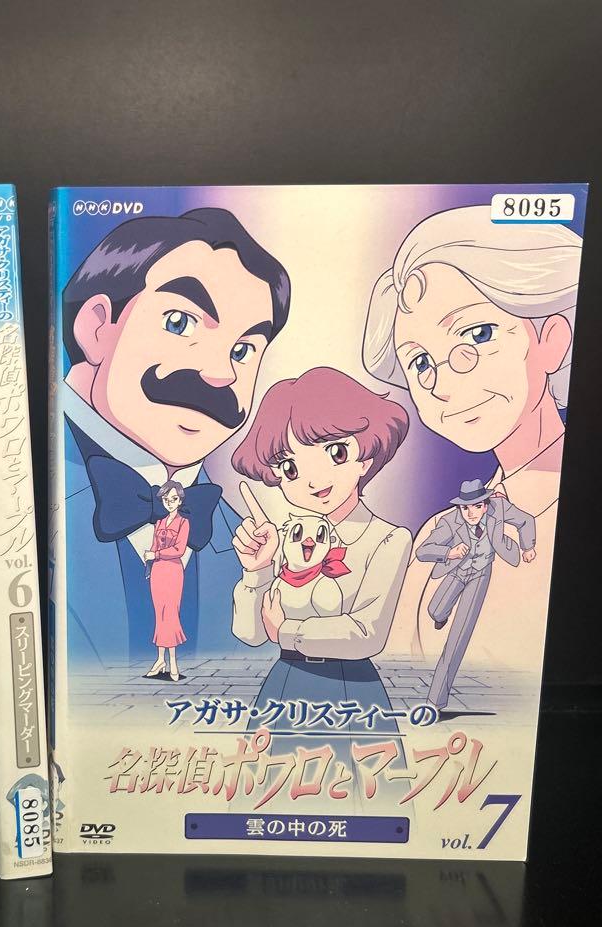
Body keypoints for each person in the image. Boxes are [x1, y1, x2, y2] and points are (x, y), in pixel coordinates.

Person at [60, 207, 291, 667]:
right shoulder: (0, 483)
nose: (221, 373)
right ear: (96, 327)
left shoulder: (240, 541)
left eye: (243, 351)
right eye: (180, 323)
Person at [362, 205, 581, 670]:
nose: (442, 383)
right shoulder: (438, 534)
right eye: (420, 362)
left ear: (551, 340)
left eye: (477, 334)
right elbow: (397, 682)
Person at [230, 367, 411, 733]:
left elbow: (367, 634)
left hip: (350, 691)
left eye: (336, 452)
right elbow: (251, 635)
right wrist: (256, 572)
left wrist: (286, 631)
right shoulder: (281, 539)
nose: (313, 480)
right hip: (285, 685)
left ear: (366, 455)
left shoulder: (387, 539)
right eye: (290, 468)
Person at [416, 479, 536, 710]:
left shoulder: (499, 508)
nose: (471, 513)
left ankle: (436, 700)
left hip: (480, 575)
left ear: (486, 504)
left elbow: (526, 520)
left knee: (458, 636)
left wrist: (527, 547)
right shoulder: (449, 522)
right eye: (465, 508)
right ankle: (440, 616)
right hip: (456, 571)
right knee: (435, 610)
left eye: (477, 506)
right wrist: (448, 552)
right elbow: (423, 551)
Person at [144, 480, 190, 680]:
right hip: (158, 572)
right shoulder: (159, 523)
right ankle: (160, 659)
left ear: (180, 500)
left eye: (174, 499)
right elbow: (154, 546)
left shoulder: (183, 523)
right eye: (166, 499)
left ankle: (173, 662)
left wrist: (156, 554)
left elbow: (179, 549)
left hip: (173, 571)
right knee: (160, 614)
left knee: (170, 614)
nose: (170, 503)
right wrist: (150, 557)